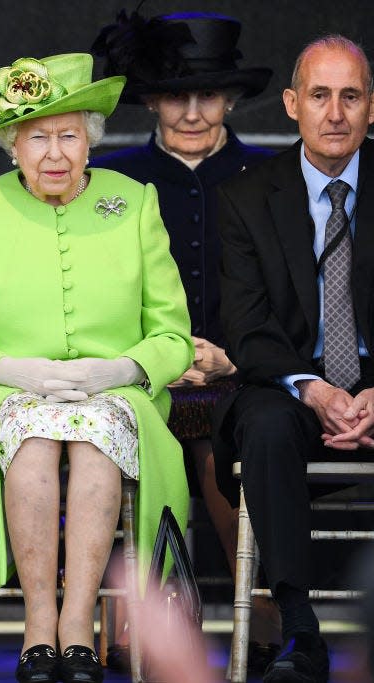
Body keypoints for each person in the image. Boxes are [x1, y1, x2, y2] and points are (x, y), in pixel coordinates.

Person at [0, 52, 193, 683]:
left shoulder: (135, 202)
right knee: (35, 438)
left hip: (116, 395)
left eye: (69, 136)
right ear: (13, 145)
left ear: (89, 141)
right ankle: (38, 622)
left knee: (97, 444)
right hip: (8, 394)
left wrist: (120, 371)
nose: (54, 153)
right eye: (37, 137)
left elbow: (173, 333)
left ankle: (77, 624)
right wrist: (14, 370)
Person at [89, 10, 281, 670]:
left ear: (230, 97)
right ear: (149, 97)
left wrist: (231, 355)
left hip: (241, 373)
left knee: (222, 434)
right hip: (140, 373)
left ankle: (257, 608)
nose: (193, 110)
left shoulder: (270, 175)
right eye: (176, 94)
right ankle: (129, 613)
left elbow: (289, 297)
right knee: (127, 426)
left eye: (207, 94)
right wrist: (158, 358)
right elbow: (88, 291)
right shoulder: (107, 180)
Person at [213, 35, 374, 683]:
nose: (333, 113)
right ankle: (299, 630)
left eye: (349, 96)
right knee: (266, 422)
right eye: (318, 95)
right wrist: (314, 389)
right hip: (290, 385)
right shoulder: (246, 197)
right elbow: (245, 328)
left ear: (371, 107)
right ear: (290, 104)